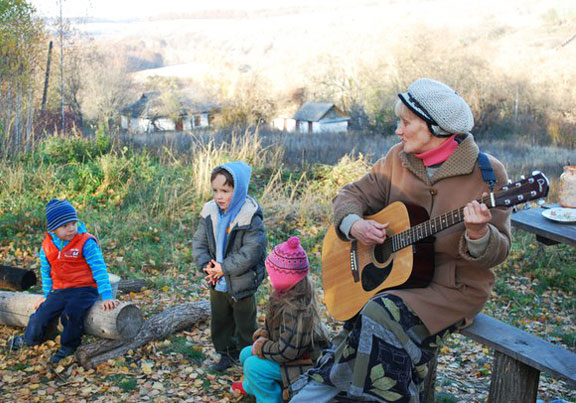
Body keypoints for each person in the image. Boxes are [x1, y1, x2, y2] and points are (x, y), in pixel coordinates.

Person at [291, 78, 511, 402]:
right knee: (368, 316)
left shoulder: (488, 174)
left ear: (436, 128)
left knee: (378, 314)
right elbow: (351, 194)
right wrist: (354, 225)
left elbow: (500, 249)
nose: (398, 130)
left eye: (406, 123)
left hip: (452, 289)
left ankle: (330, 392)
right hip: (401, 279)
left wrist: (478, 234)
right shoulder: (398, 158)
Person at [8, 199, 118, 363]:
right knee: (41, 314)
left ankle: (69, 346)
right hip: (60, 290)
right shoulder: (47, 246)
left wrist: (107, 295)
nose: (71, 228)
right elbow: (46, 272)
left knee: (71, 313)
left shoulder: (85, 242)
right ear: (53, 229)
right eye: (65, 225)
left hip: (84, 289)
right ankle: (30, 339)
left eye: (73, 223)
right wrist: (47, 294)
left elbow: (99, 269)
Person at [230, 236, 329, 402]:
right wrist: (264, 335)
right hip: (288, 355)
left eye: (272, 274)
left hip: (304, 364)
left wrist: (262, 348)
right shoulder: (282, 295)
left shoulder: (296, 309)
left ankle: (270, 398)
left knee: (253, 366)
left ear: (285, 278)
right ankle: (251, 386)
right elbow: (274, 329)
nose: (269, 278)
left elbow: (288, 351)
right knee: (245, 354)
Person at [192, 161, 267, 372]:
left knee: (245, 323)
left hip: (241, 280)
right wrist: (207, 266)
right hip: (216, 280)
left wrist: (224, 268)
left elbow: (252, 251)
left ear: (239, 189)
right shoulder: (210, 212)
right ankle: (226, 354)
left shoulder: (249, 215)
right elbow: (199, 243)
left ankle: (249, 359)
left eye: (225, 190)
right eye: (215, 190)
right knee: (220, 321)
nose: (219, 196)